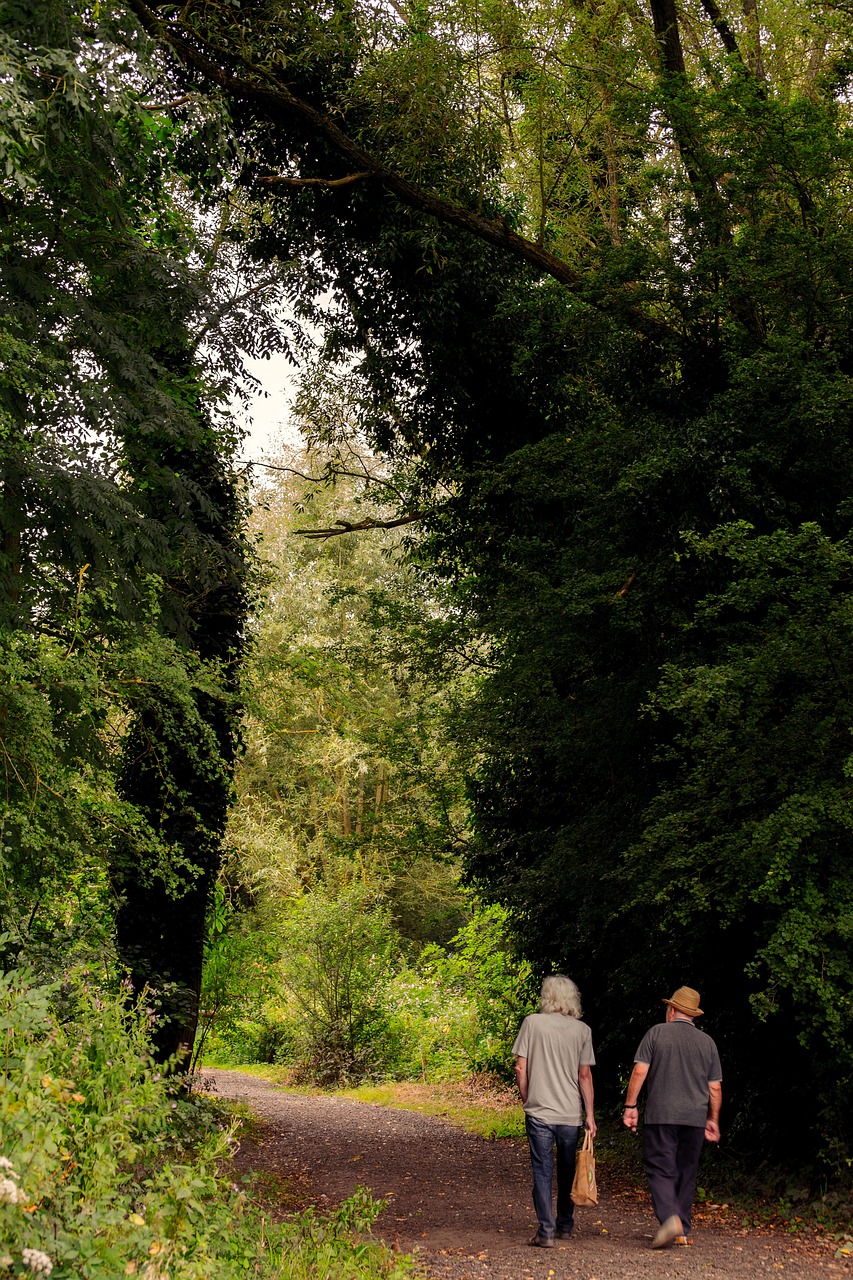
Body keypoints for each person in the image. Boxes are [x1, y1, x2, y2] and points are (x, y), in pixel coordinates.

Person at [622, 985, 722, 1249]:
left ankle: (670, 1220)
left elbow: (639, 1072)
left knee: (660, 1167)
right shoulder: (708, 1043)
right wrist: (713, 1120)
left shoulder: (656, 1033)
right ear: (693, 1015)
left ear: (673, 1009)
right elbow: (715, 1088)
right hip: (695, 1118)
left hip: (661, 1115)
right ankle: (683, 1231)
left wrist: (630, 1106)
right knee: (686, 1172)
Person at [513, 974, 596, 1248]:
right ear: (572, 999)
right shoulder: (582, 1031)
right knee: (567, 1169)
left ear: (546, 996)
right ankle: (565, 1226)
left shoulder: (532, 1023)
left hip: (539, 1112)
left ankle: (545, 1231)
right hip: (570, 1114)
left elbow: (520, 1067)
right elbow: (584, 1076)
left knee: (542, 1170)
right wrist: (590, 1115)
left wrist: (528, 1097)